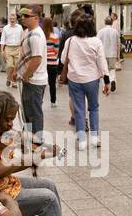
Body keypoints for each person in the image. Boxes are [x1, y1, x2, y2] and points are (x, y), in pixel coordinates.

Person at [61, 16, 110, 150]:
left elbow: (62, 59)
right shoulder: (96, 42)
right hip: (92, 80)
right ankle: (94, 138)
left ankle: (82, 141)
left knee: (79, 110)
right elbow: (102, 62)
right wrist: (107, 81)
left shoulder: (70, 41)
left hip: (74, 79)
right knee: (93, 108)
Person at [16, 7, 48, 145]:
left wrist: (26, 75)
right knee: (28, 109)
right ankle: (28, 136)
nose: (23, 18)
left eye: (26, 16)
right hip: (31, 79)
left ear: (36, 18)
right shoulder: (30, 33)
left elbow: (37, 59)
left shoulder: (36, 36)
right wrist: (17, 70)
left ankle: (36, 139)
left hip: (34, 80)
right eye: (22, 15)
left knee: (34, 112)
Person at [0, 12, 25, 87]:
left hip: (17, 48)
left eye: (13, 18)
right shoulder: (5, 28)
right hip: (8, 48)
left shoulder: (20, 27)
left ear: (16, 19)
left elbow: (22, 38)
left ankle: (14, 82)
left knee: (16, 66)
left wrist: (22, 48)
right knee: (10, 66)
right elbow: (3, 40)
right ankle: (8, 78)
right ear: (9, 19)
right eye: (11, 19)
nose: (12, 20)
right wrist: (2, 50)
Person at [98, 13, 121, 92]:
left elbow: (97, 43)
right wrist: (118, 55)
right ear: (112, 22)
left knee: (104, 70)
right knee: (112, 69)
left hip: (103, 54)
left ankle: (105, 87)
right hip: (112, 54)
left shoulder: (101, 31)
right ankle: (112, 80)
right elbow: (118, 43)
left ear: (105, 22)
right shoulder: (115, 32)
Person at [45, 16, 63, 105]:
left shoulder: (41, 36)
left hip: (43, 62)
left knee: (42, 82)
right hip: (52, 62)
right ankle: (53, 101)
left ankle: (40, 100)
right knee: (52, 83)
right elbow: (56, 50)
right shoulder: (54, 36)